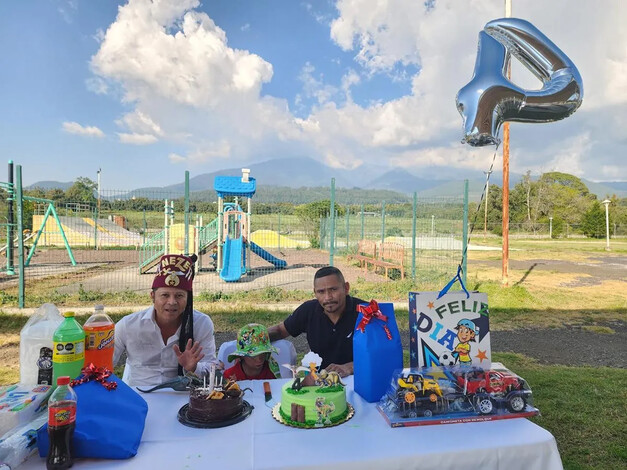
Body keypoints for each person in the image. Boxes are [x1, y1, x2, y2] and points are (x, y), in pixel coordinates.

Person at [113, 254, 217, 386]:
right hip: (138, 396)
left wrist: (194, 367)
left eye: (179, 295)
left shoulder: (202, 324)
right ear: (152, 296)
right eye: (165, 295)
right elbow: (103, 366)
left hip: (183, 396)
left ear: (188, 298)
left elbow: (213, 369)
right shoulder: (128, 325)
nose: (172, 302)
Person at [268, 266, 364, 377]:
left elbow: (383, 354)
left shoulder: (366, 312)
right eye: (321, 292)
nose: (327, 297)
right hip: (319, 382)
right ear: (315, 292)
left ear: (346, 288)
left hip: (359, 380)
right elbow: (280, 331)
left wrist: (351, 367)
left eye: (333, 289)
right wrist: (250, 339)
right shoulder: (308, 310)